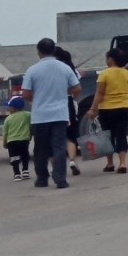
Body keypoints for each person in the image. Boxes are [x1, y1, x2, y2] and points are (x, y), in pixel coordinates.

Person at [21, 37, 81, 189]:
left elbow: (25, 93)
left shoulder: (32, 70)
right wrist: (65, 94)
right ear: (53, 50)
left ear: (38, 52)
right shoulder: (64, 68)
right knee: (59, 147)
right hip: (60, 114)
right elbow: (77, 88)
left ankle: (42, 179)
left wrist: (35, 100)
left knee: (40, 149)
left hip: (40, 116)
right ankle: (60, 180)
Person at [88, 48, 128, 175]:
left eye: (107, 58)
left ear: (111, 59)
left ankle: (110, 163)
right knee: (121, 136)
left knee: (107, 136)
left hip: (106, 110)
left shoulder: (104, 74)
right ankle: (123, 163)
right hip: (123, 108)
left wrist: (93, 109)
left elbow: (99, 93)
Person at [55, 48, 83, 176]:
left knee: (55, 134)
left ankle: (55, 165)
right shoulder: (70, 69)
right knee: (71, 134)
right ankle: (72, 160)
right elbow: (77, 88)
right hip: (68, 101)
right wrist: (71, 96)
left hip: (54, 102)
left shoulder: (53, 68)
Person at [1, 95, 32, 181]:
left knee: (14, 157)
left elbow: (5, 132)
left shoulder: (8, 119)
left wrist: (4, 142)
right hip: (24, 140)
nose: (8, 109)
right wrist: (30, 135)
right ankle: (25, 171)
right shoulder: (27, 115)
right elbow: (31, 125)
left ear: (14, 108)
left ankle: (17, 173)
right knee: (25, 155)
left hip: (12, 141)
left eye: (9, 107)